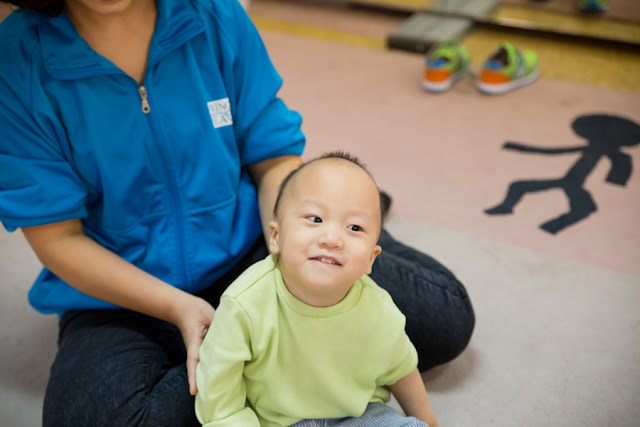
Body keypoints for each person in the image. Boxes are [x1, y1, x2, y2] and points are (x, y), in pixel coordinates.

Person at [0, 0, 474, 425]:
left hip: (255, 249)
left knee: (445, 320)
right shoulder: (16, 56)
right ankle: (271, 360)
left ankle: (341, 219)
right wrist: (183, 311)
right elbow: (58, 239)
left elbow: (271, 158)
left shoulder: (214, 13)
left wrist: (295, 258)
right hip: (122, 297)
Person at [196, 152, 438, 427]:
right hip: (277, 421)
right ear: (276, 236)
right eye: (315, 219)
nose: (332, 239)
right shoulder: (243, 305)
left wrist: (428, 422)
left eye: (354, 227)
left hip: (358, 415)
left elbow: (401, 368)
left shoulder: (379, 309)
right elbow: (220, 403)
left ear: (371, 258)